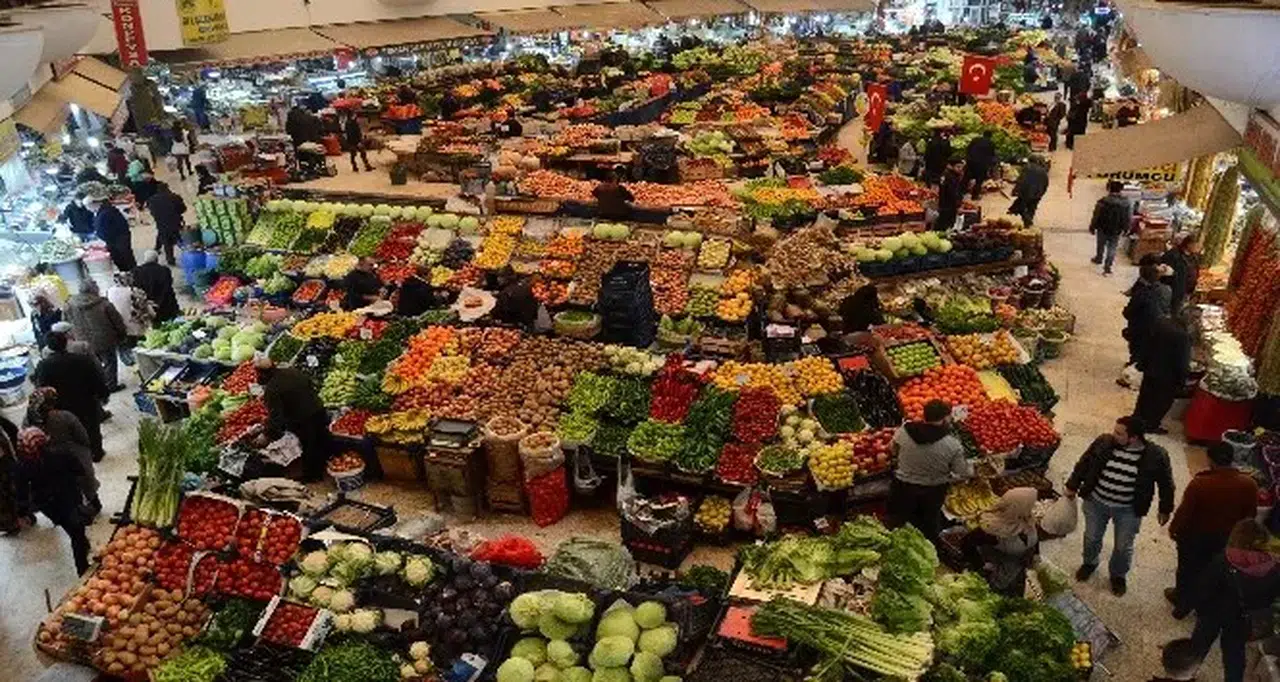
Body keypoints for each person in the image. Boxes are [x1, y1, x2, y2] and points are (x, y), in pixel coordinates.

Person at [1066, 415, 1175, 596]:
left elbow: (1166, 483)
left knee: (1123, 547)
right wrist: (1072, 485)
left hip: (1128, 510)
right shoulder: (1103, 442)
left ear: (1134, 437)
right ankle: (1089, 563)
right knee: (1091, 538)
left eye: (1119, 433)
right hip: (1096, 502)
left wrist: (1165, 508)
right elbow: (1084, 463)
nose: (1113, 435)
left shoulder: (1156, 455)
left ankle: (1118, 575)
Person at [1166, 442, 1259, 619]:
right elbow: (1250, 515)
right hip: (1227, 538)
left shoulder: (1200, 483)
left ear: (1210, 460)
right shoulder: (1249, 484)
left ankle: (1181, 603)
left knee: (1188, 570)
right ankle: (1203, 606)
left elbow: (1185, 512)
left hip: (1195, 537)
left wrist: (1174, 529)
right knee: (1213, 572)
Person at [1181, 520, 1280, 682]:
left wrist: (1184, 608)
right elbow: (1272, 597)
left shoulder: (1223, 561)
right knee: (1235, 654)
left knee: (1199, 645)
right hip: (1243, 619)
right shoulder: (1274, 567)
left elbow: (1203, 588)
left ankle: (1187, 673)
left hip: (1212, 614)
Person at [12, 426, 95, 574]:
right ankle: (82, 567)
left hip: (49, 506)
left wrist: (22, 512)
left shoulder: (22, 466)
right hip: (70, 498)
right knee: (76, 531)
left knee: (71, 527)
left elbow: (21, 492)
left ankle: (83, 545)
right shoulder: (61, 453)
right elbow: (80, 471)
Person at [887, 399, 972, 543]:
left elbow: (892, 449)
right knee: (926, 532)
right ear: (945, 418)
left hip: (902, 488)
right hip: (931, 493)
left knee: (898, 526)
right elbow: (962, 472)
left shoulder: (905, 430)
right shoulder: (952, 444)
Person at [24, 388, 99, 517]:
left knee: (65, 489)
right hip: (72, 455)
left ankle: (74, 512)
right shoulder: (65, 416)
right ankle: (94, 504)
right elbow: (83, 437)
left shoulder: (28, 421)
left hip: (48, 464)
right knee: (85, 482)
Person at [254, 355, 329, 482]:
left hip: (303, 419)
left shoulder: (272, 389)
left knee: (309, 446)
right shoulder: (292, 371)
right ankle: (323, 466)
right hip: (319, 409)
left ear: (261, 373)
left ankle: (312, 476)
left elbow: (276, 418)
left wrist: (267, 435)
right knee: (320, 440)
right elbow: (310, 384)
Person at [961, 487, 1041, 597]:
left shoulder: (1027, 520)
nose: (1032, 507)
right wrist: (981, 565)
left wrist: (1034, 555)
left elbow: (1033, 540)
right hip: (994, 576)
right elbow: (966, 543)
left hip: (1016, 574)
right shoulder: (994, 529)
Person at [63, 279, 128, 393]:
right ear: (94, 290)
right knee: (109, 363)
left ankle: (98, 387)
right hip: (105, 339)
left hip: (82, 341)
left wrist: (72, 338)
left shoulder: (69, 305)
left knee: (92, 364)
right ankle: (110, 386)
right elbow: (117, 321)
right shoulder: (104, 304)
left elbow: (65, 323)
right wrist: (122, 335)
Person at [1134, 314, 1191, 433]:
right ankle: (1151, 426)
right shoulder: (1183, 337)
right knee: (1160, 403)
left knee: (1144, 397)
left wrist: (1142, 363)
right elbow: (1182, 362)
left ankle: (1137, 419)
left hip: (1150, 368)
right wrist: (1182, 381)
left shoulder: (1161, 322)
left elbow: (1146, 343)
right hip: (1168, 377)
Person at [1123, 263, 1172, 370]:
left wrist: (1127, 314)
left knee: (1136, 346)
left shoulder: (1143, 292)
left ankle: (1134, 365)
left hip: (1140, 325)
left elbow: (1131, 310)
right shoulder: (1167, 290)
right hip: (1157, 323)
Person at [105, 272, 150, 367]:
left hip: (118, 327)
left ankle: (130, 364)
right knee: (139, 350)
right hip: (134, 327)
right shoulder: (134, 291)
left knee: (125, 350)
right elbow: (143, 307)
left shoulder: (109, 291)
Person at [1089, 180, 1132, 275]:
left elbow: (1096, 215)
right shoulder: (1126, 203)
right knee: (1112, 247)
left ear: (1109, 189)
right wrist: (1127, 228)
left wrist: (1092, 226)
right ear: (1121, 189)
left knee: (1101, 244)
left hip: (1102, 227)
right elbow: (1128, 217)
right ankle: (1108, 266)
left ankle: (1099, 258)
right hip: (1117, 229)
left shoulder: (1103, 201)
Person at [86, 190, 135, 272]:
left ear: (93, 204)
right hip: (115, 240)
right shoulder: (102, 211)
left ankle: (133, 274)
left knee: (125, 259)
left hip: (118, 240)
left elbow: (108, 228)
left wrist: (103, 239)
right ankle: (127, 272)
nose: (88, 209)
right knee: (121, 259)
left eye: (88, 206)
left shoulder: (106, 212)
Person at [132, 250, 181, 322]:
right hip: (165, 305)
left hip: (146, 306)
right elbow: (169, 284)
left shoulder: (137, 271)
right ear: (157, 260)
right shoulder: (165, 270)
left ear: (145, 260)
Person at [146, 182, 186, 266]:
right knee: (179, 237)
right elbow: (183, 209)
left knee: (166, 241)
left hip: (161, 223)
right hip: (175, 221)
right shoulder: (175, 197)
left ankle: (169, 258)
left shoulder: (151, 200)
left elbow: (151, 211)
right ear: (167, 188)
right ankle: (186, 253)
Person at [1160, 232, 1202, 312]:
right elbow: (1164, 272)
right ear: (1189, 244)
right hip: (1173, 292)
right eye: (1196, 245)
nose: (1198, 247)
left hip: (1186, 292)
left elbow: (1195, 270)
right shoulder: (1173, 255)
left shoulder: (1194, 257)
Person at [491, 266, 541, 330]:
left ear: (504, 278)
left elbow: (498, 313)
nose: (498, 279)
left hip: (516, 325)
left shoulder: (505, 294)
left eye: (499, 277)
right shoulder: (526, 286)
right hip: (530, 321)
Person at [1008, 156, 1050, 227]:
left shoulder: (1027, 168)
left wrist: (1016, 190)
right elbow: (1046, 183)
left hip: (1026, 192)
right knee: (1031, 208)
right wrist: (1041, 193)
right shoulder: (1043, 171)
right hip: (1037, 193)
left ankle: (1028, 221)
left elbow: (1021, 180)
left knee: (1020, 207)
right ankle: (1028, 224)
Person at [0, 416, 23, 535]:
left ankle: (13, 523)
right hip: (8, 466)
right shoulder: (3, 424)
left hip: (5, 468)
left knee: (7, 496)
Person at [934, 157, 965, 231]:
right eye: (958, 167)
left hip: (943, 204)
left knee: (942, 222)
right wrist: (958, 205)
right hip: (949, 205)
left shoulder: (945, 175)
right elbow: (953, 193)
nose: (960, 169)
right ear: (950, 166)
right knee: (947, 224)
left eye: (961, 167)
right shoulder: (951, 177)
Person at [963, 130, 996, 200]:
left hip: (971, 162)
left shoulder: (975, 140)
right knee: (979, 181)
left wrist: (967, 158)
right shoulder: (991, 143)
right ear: (990, 136)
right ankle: (974, 196)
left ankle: (961, 192)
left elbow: (968, 149)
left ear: (983, 134)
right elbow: (992, 156)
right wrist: (990, 166)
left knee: (966, 178)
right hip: (982, 165)